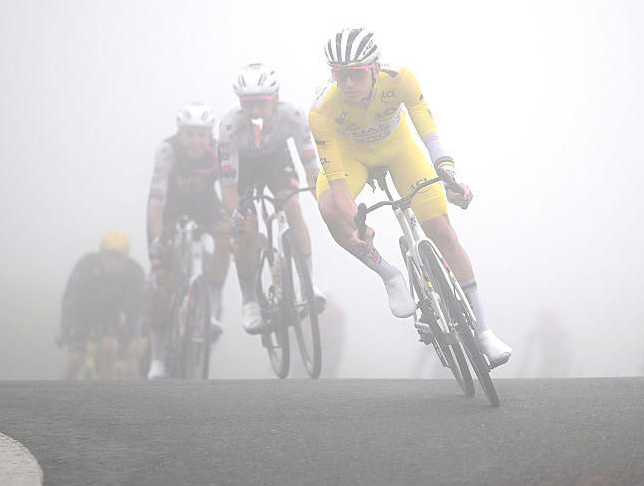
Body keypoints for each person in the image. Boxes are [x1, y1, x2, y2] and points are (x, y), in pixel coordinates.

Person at [308, 27, 511, 367]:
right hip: (350, 157)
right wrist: (356, 222)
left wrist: (450, 177)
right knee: (330, 208)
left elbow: (429, 134)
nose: (347, 85)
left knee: (442, 231)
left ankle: (485, 332)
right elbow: (338, 186)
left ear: (374, 68)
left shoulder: (400, 80)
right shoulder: (322, 111)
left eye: (355, 74)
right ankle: (388, 273)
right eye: (339, 76)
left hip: (398, 149)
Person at [218, 63, 322, 334]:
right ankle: (249, 301)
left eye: (260, 104)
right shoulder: (230, 125)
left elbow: (312, 168)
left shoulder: (294, 115)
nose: (253, 111)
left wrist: (322, 197)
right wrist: (235, 215)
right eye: (247, 104)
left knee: (292, 206)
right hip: (244, 167)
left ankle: (307, 283)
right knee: (247, 228)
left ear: (275, 98)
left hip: (276, 160)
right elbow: (228, 185)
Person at [145, 102, 231, 379]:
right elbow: (156, 201)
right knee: (162, 283)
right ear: (180, 135)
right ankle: (157, 359)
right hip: (169, 212)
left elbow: (229, 188)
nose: (196, 141)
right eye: (190, 134)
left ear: (210, 136)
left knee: (225, 235)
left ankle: (212, 310)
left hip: (205, 207)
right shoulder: (167, 151)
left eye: (202, 135)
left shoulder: (218, 152)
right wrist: (158, 239)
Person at [59, 230, 147, 380]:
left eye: (118, 256)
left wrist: (134, 337)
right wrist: (65, 329)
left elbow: (138, 308)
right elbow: (70, 298)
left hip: (114, 320)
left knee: (110, 349)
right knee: (75, 359)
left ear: (126, 257)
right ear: (101, 253)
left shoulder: (134, 272)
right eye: (108, 254)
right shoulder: (86, 265)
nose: (112, 261)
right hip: (83, 317)